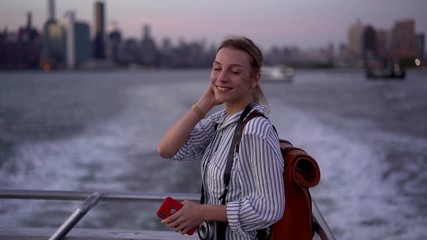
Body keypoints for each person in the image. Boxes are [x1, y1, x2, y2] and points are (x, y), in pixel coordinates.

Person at [157, 35, 285, 240]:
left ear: (255, 79)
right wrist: (204, 104)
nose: (222, 77)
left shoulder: (255, 130)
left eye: (234, 71)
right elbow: (167, 149)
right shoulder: (220, 121)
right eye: (217, 68)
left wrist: (202, 212)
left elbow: (270, 208)